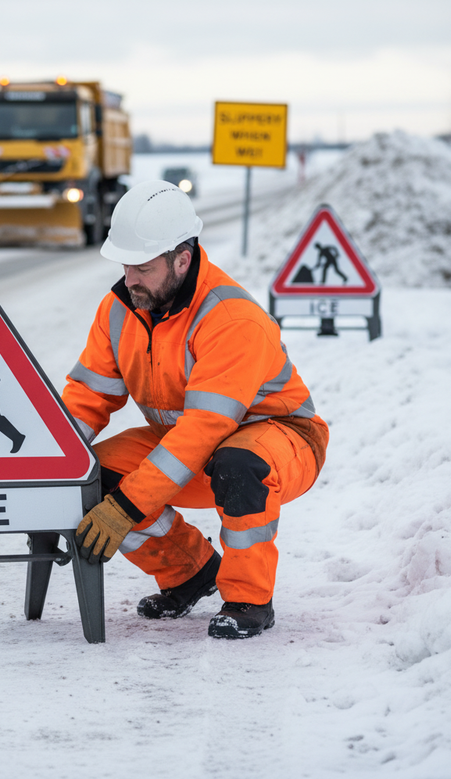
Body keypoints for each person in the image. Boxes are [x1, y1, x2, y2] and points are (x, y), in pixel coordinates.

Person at [61, 180, 329, 639]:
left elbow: (205, 428)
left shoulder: (230, 318)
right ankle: (190, 572)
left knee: (237, 464)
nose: (130, 279)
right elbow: (88, 397)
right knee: (92, 475)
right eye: (126, 265)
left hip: (279, 439)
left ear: (181, 259)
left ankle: (249, 599)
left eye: (142, 267)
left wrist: (125, 508)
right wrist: (49, 469)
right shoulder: (120, 309)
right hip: (192, 444)